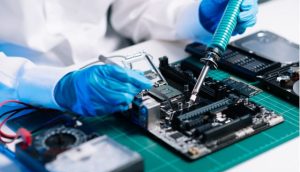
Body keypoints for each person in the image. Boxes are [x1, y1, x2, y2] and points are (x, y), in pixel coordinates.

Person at [0, 0, 258, 116]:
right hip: (14, 95)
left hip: (114, 71)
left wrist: (198, 16)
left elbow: (135, 8)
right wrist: (52, 85)